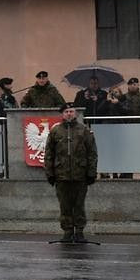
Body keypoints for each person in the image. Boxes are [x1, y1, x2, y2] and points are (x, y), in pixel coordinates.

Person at [43, 103, 98, 242]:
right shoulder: (55, 131)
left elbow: (92, 153)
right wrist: (49, 173)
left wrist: (91, 172)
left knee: (79, 205)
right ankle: (67, 231)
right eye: (66, 111)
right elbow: (49, 153)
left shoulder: (84, 130)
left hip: (80, 174)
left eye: (71, 111)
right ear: (62, 113)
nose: (69, 114)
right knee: (65, 205)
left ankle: (79, 232)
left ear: (75, 113)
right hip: (62, 175)